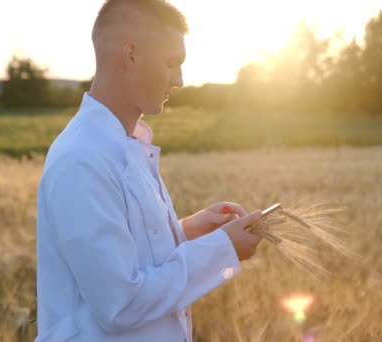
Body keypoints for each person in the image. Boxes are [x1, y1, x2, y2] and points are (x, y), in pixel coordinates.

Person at [34, 0, 264, 341]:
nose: (181, 80)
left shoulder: (126, 145)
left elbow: (128, 258)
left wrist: (187, 231)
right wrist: (221, 250)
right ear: (131, 55)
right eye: (172, 63)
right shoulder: (81, 160)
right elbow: (120, 302)